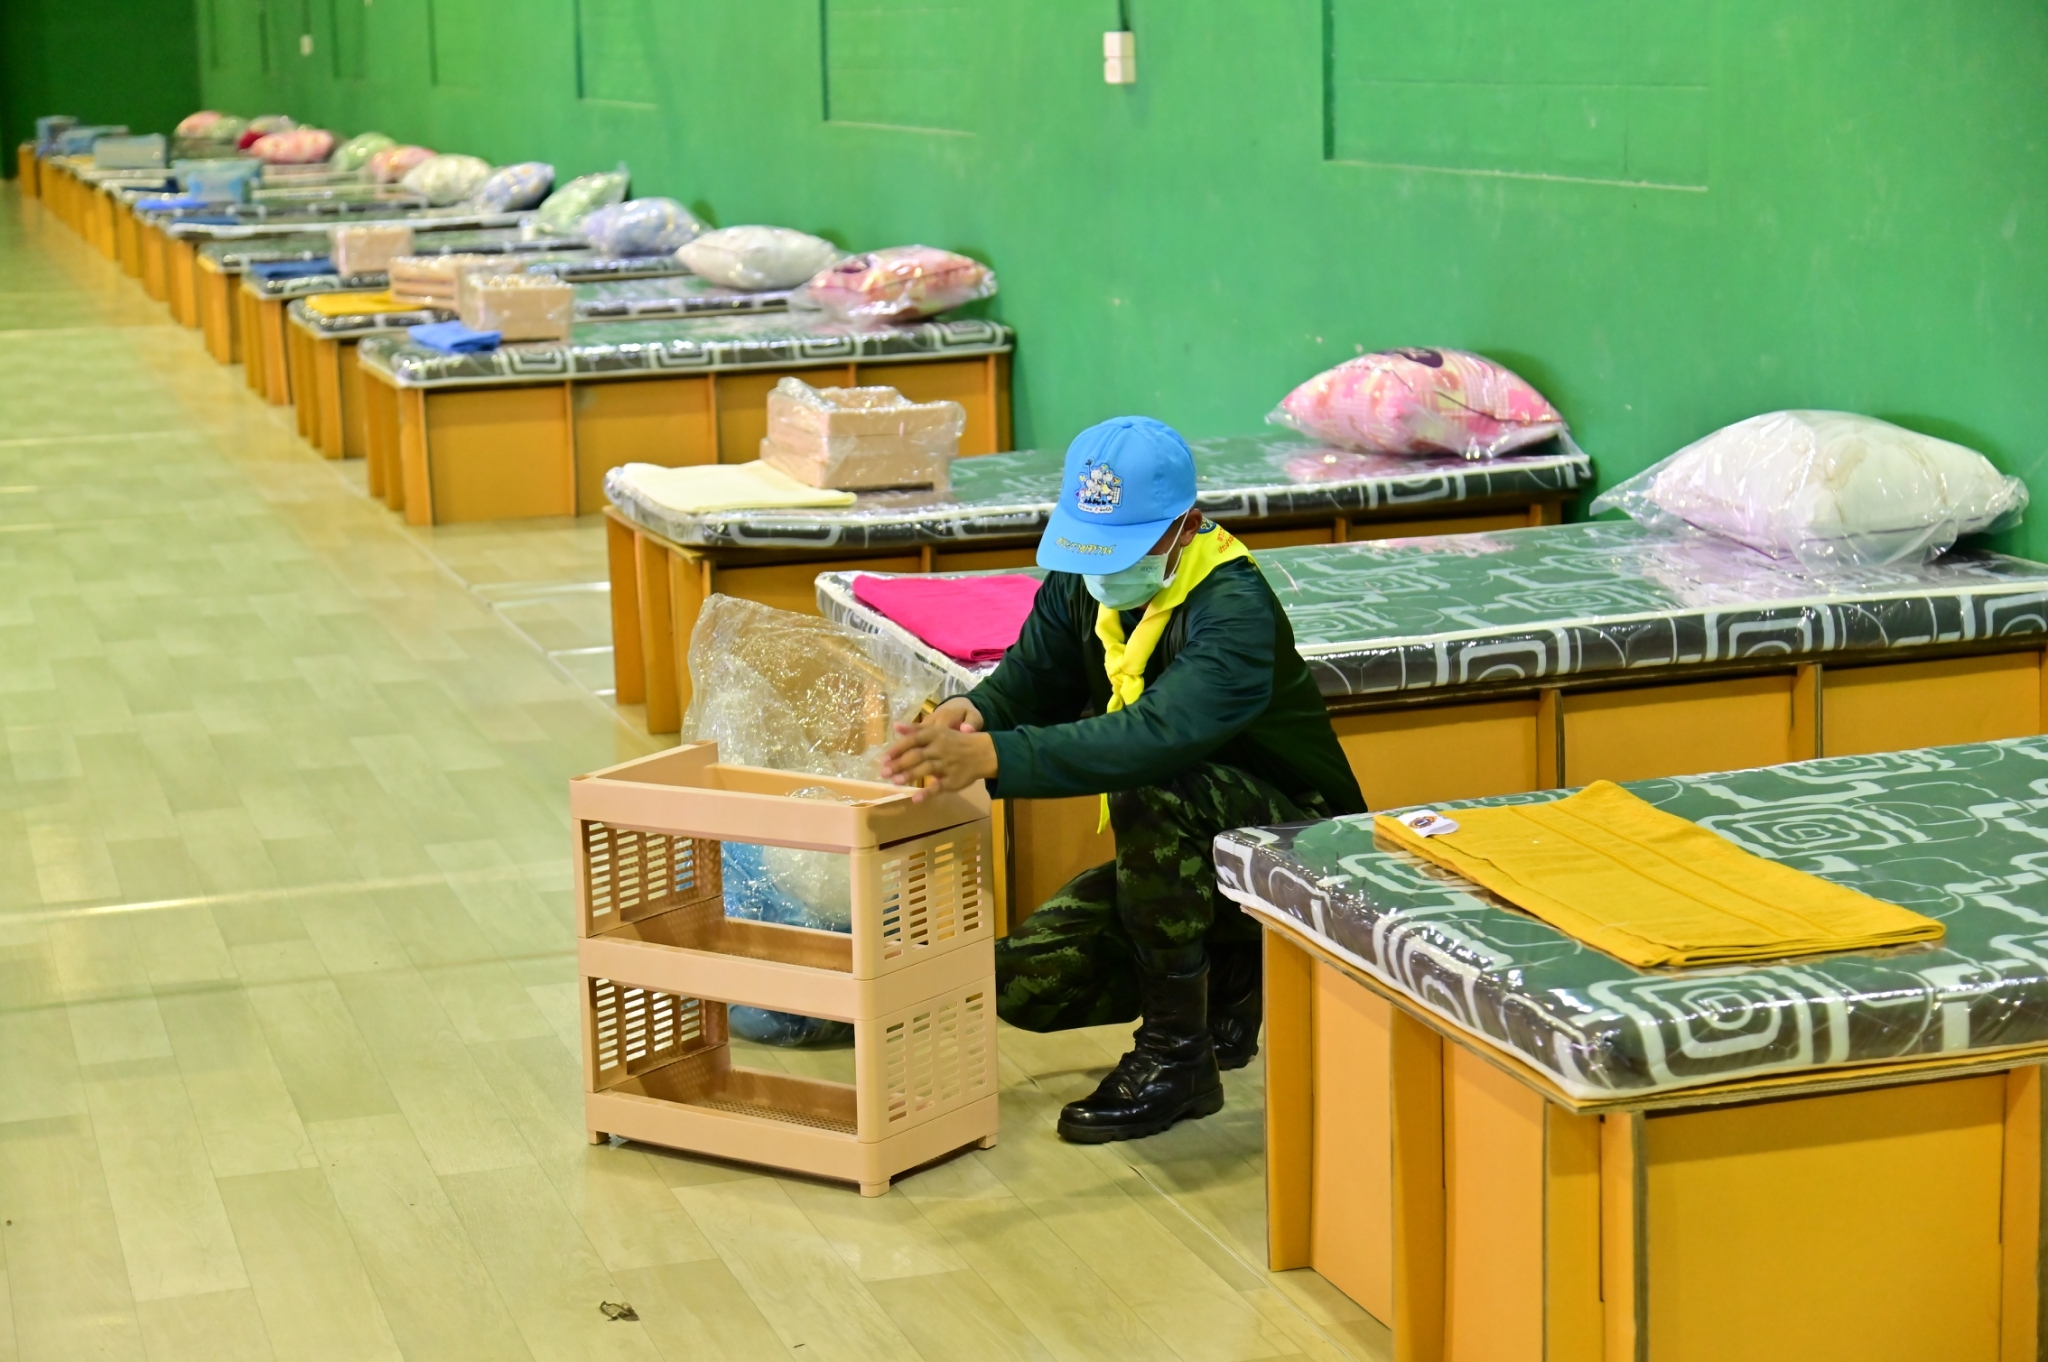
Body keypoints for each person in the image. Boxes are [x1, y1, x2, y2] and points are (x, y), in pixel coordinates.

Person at [880, 416, 1366, 1143]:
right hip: (1194, 850)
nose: (1103, 566)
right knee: (1027, 983)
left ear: (1186, 528)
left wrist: (998, 758)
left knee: (1159, 782)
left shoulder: (1232, 610)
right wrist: (976, 714)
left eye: (1125, 547)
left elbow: (1155, 737)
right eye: (1091, 543)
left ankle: (1178, 1058)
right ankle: (1232, 977)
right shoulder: (1087, 582)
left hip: (1295, 844)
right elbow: (1032, 678)